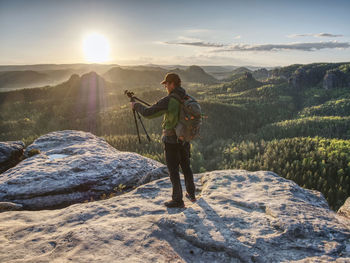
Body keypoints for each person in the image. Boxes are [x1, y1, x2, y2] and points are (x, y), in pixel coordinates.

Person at [131, 72, 196, 208]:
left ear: (172, 84)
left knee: (173, 170)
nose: (165, 86)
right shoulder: (186, 96)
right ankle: (191, 193)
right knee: (186, 167)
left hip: (171, 140)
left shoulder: (169, 100)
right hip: (184, 138)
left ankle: (177, 200)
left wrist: (136, 106)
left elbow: (148, 113)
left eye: (166, 84)